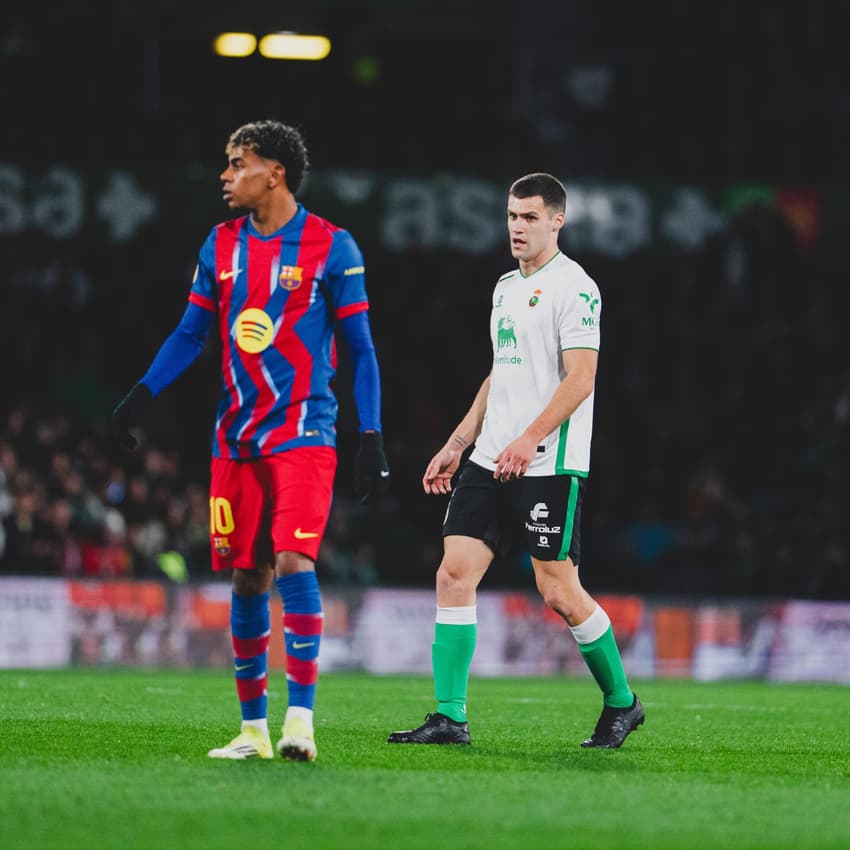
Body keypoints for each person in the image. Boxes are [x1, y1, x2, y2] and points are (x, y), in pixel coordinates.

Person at [112, 120, 390, 761]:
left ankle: (301, 724)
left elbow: (361, 350)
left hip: (304, 432)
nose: (225, 175)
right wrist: (141, 394)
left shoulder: (332, 247)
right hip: (235, 439)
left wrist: (370, 436)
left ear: (276, 173)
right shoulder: (222, 244)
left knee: (294, 562)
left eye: (238, 163)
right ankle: (252, 732)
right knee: (247, 577)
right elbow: (189, 334)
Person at [388, 173, 643, 749]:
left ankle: (623, 703)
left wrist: (529, 438)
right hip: (488, 457)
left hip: (547, 460)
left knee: (557, 591)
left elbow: (581, 379)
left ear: (558, 220)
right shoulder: (505, 286)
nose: (517, 228)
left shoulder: (576, 288)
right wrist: (457, 443)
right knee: (453, 573)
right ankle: (450, 717)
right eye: (510, 217)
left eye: (529, 217)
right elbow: (501, 372)